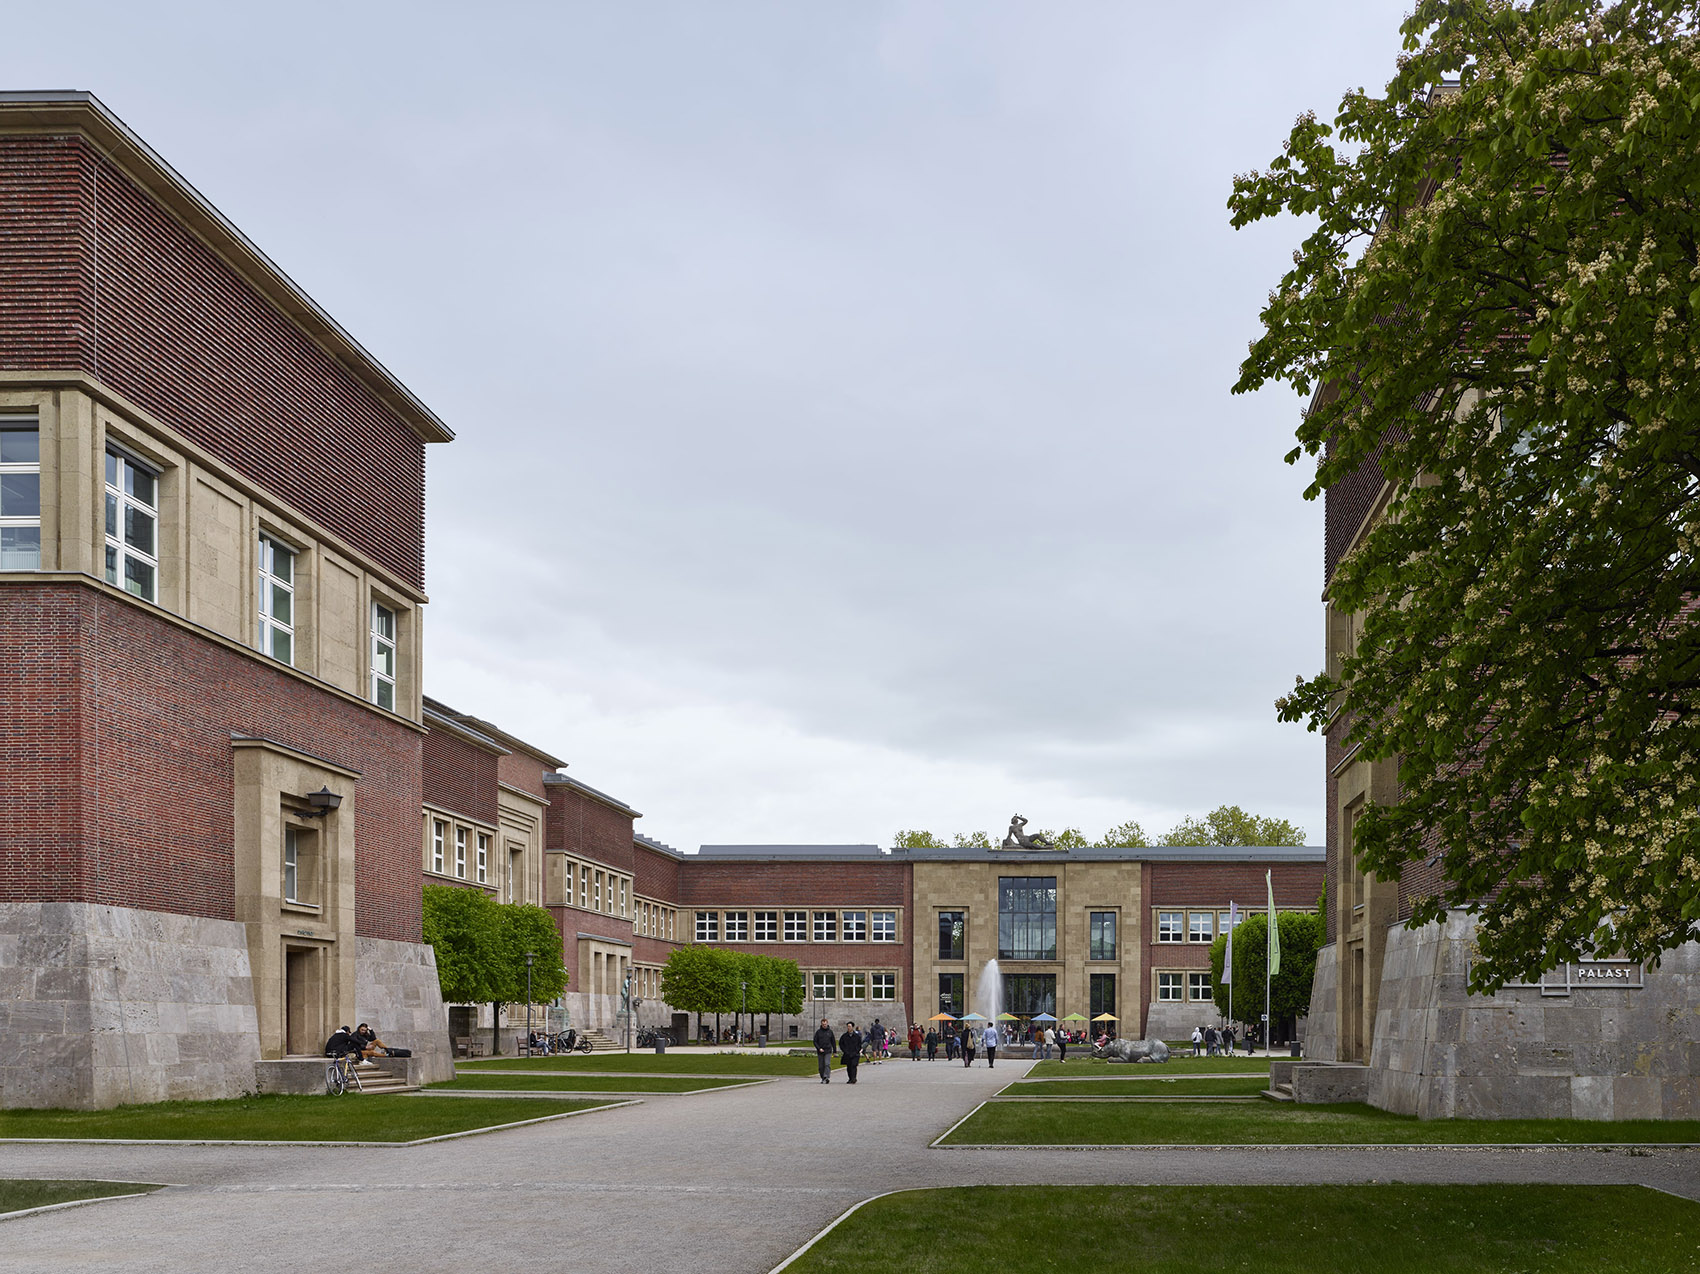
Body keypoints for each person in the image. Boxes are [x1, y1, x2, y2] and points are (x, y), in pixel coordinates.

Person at [813, 1017, 837, 1084]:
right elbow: (815, 1041)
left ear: (827, 1024)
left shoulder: (830, 1032)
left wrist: (834, 1051)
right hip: (820, 1051)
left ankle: (826, 1076)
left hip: (828, 1050)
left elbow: (833, 1042)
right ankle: (823, 1077)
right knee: (821, 1066)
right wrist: (819, 1048)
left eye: (825, 1024)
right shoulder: (818, 1032)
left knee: (827, 1064)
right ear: (821, 1024)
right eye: (823, 1024)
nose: (824, 1025)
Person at [839, 1020, 863, 1085]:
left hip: (855, 1053)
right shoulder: (844, 1036)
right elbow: (841, 1044)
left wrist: (857, 1050)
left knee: (853, 1065)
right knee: (849, 1066)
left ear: (852, 1027)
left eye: (850, 1026)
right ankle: (850, 1078)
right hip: (847, 1053)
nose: (848, 1028)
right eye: (848, 1026)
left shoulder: (857, 1036)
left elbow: (859, 1044)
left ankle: (854, 1078)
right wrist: (845, 1050)